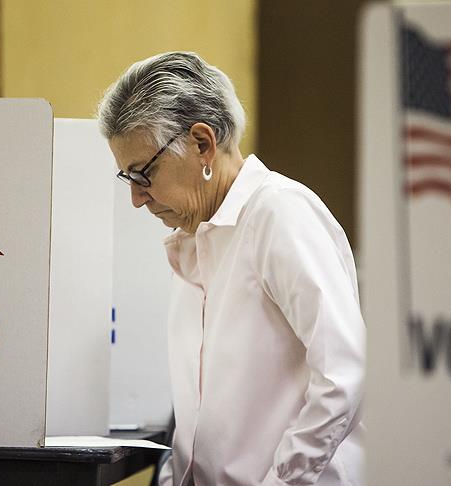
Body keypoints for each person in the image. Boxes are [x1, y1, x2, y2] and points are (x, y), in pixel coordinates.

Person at [97, 51, 365, 486]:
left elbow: (345, 374)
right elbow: (199, 419)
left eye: (143, 174)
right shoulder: (195, 239)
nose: (137, 199)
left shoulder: (278, 215)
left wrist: (284, 480)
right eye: (127, 180)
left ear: (203, 143)